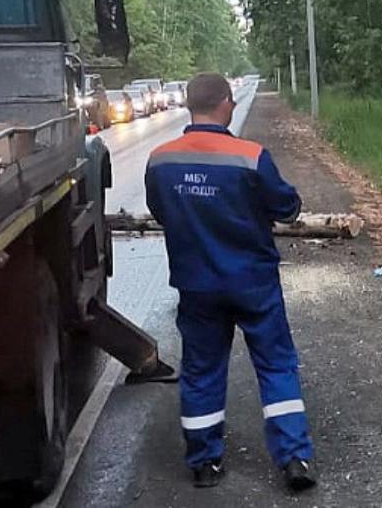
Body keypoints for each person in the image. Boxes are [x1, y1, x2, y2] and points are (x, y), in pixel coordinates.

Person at [144, 73, 317, 491]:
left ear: (189, 104)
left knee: (202, 370)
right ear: (225, 102)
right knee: (276, 364)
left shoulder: (161, 160)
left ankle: (204, 462)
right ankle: (294, 458)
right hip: (252, 282)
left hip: (197, 284)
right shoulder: (250, 157)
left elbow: (161, 209)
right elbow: (287, 206)